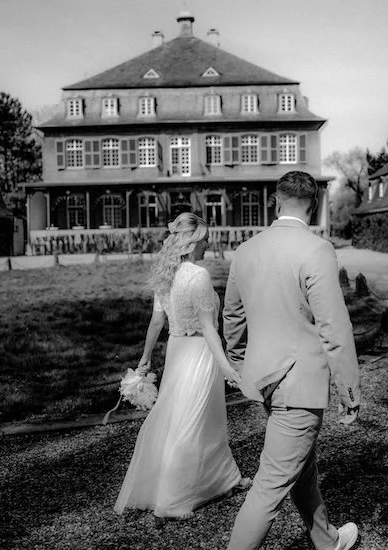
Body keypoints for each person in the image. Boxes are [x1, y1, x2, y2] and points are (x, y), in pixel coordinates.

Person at [223, 171, 362, 550]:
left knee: (301, 468)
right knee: (269, 487)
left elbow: (232, 316)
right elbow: (334, 326)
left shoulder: (246, 250)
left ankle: (328, 540)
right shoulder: (316, 250)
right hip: (299, 386)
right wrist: (348, 389)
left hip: (264, 381)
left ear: (275, 200)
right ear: (313, 206)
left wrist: (239, 363)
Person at [114, 212, 251, 525]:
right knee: (192, 421)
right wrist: (226, 366)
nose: (207, 246)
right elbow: (209, 328)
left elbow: (157, 321)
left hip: (176, 351)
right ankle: (174, 498)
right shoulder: (197, 276)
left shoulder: (167, 274)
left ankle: (224, 478)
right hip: (200, 355)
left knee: (199, 417)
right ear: (191, 242)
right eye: (204, 240)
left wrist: (146, 358)